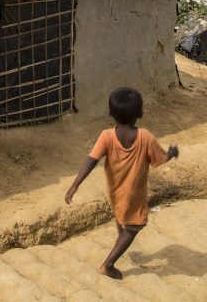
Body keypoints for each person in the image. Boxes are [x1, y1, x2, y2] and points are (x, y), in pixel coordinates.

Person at [64, 87, 178, 279]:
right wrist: (171, 153)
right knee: (134, 227)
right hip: (133, 193)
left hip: (115, 190)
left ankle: (120, 242)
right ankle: (108, 264)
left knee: (122, 217)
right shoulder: (145, 137)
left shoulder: (106, 136)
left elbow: (91, 160)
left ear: (110, 113)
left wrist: (75, 184)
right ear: (140, 114)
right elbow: (159, 160)